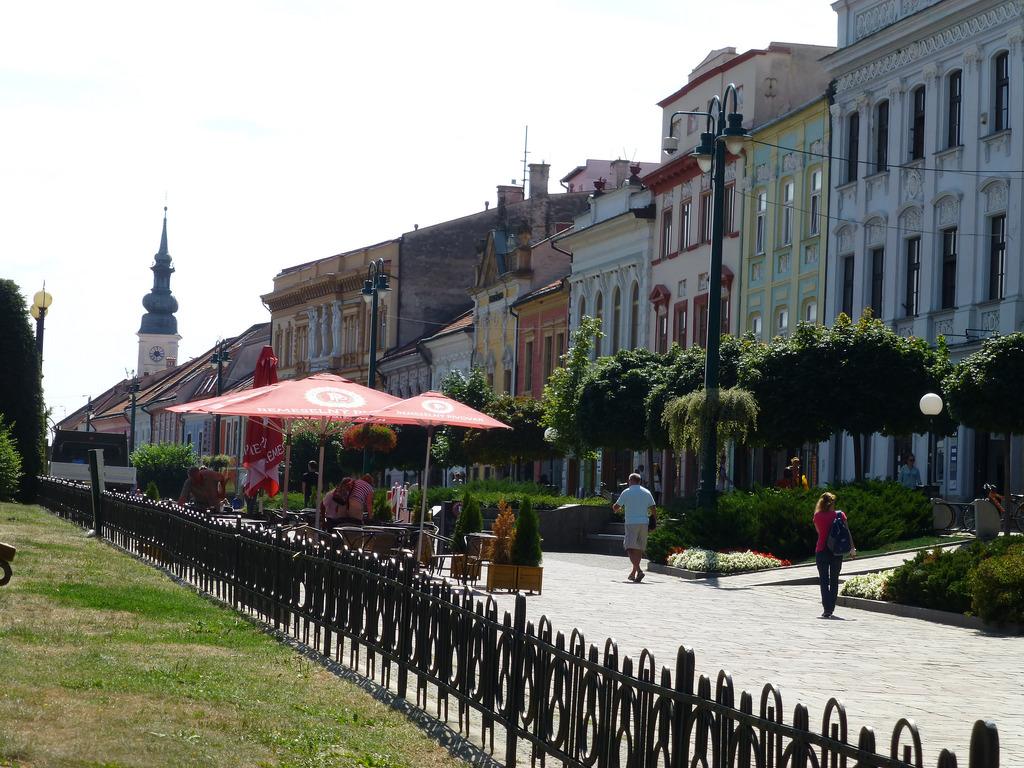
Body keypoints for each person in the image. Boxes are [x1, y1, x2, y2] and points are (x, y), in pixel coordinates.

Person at [812, 491, 856, 618]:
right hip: (836, 551)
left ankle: (827, 609)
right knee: (834, 579)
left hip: (821, 550)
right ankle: (831, 607)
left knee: (824, 581)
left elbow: (819, 532)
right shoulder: (840, 515)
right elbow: (847, 532)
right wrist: (852, 548)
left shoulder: (817, 516)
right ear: (832, 503)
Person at [613, 472, 657, 583]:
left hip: (631, 523)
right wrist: (654, 522)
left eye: (629, 481)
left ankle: (639, 570)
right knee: (638, 549)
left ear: (631, 480)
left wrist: (615, 508)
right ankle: (633, 573)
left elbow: (616, 507)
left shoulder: (626, 492)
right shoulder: (647, 492)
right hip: (644, 523)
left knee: (629, 547)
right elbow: (653, 508)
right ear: (640, 481)